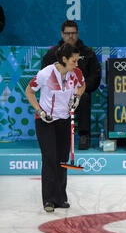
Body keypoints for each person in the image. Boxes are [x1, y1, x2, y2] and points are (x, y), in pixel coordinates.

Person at [26, 43, 86, 212]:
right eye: (74, 61)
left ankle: (60, 198)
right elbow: (29, 91)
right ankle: (49, 200)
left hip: (64, 120)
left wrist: (77, 97)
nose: (76, 64)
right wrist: (39, 110)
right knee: (50, 158)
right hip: (46, 120)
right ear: (64, 59)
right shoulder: (45, 74)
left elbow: (82, 86)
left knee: (62, 159)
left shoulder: (76, 73)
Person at [41, 20, 101, 150]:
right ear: (62, 34)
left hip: (78, 92)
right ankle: (54, 136)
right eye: (67, 33)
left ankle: (84, 135)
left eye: (73, 33)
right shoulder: (52, 54)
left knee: (84, 97)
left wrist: (80, 88)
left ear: (78, 34)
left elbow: (95, 76)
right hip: (57, 93)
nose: (70, 36)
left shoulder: (87, 53)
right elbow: (44, 76)